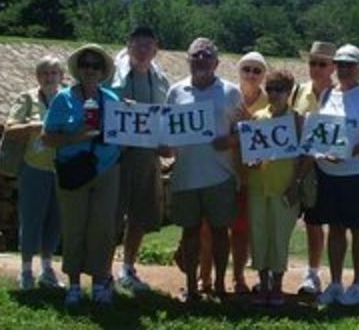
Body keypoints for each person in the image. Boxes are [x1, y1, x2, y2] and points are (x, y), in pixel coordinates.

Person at [161, 37, 242, 302]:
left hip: (220, 175)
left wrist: (229, 141)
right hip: (185, 174)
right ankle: (192, 287)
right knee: (190, 233)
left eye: (207, 56)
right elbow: (167, 131)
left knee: (220, 232)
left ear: (216, 62)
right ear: (188, 60)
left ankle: (219, 284)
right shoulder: (176, 91)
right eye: (196, 55)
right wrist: (164, 147)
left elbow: (244, 132)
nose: (201, 60)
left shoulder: (231, 92)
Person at [42, 44, 121, 307]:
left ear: (102, 72)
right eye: (85, 65)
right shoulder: (63, 99)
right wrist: (75, 137)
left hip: (106, 169)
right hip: (73, 170)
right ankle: (74, 284)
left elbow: (125, 129)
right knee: (74, 226)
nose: (90, 70)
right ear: (78, 69)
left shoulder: (111, 99)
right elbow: (48, 137)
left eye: (95, 66)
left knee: (103, 228)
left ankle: (100, 282)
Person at [308, 44, 359, 306]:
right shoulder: (327, 94)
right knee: (335, 228)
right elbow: (322, 132)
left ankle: (357, 285)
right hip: (330, 173)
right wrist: (320, 151)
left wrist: (350, 151)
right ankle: (336, 282)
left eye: (349, 64)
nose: (344, 69)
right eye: (340, 64)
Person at [198, 51, 269, 294]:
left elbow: (266, 140)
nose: (251, 74)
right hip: (219, 171)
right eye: (246, 69)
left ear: (263, 75)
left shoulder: (271, 103)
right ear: (238, 72)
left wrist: (238, 134)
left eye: (257, 70)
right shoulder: (227, 95)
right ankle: (204, 277)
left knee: (240, 232)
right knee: (208, 230)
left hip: (250, 177)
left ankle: (238, 277)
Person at [110, 26, 170, 292]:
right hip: (115, 157)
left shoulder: (161, 80)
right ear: (129, 45)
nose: (143, 50)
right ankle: (102, 270)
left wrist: (167, 144)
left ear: (155, 49)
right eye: (138, 45)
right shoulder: (112, 76)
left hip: (147, 157)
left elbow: (166, 119)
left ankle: (128, 267)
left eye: (149, 45)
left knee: (139, 217)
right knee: (110, 214)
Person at [5, 55, 65, 290]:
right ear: (38, 77)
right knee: (31, 219)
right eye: (44, 74)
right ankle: (26, 271)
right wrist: (36, 126)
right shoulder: (27, 99)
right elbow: (10, 128)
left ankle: (48, 269)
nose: (49, 78)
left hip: (61, 169)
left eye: (53, 73)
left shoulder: (68, 98)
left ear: (61, 76)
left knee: (55, 221)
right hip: (34, 168)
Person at [249, 69, 304, 306]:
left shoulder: (298, 119)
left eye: (278, 89)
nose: (273, 94)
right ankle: (263, 283)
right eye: (269, 89)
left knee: (280, 238)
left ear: (289, 92)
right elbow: (250, 154)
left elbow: (306, 157)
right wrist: (250, 161)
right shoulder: (258, 117)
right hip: (258, 187)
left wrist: (296, 185)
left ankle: (278, 285)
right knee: (259, 236)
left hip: (285, 187)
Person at [290, 40, 336, 295]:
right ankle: (313, 272)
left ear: (333, 67)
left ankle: (336, 277)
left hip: (332, 166)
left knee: (337, 224)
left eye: (322, 64)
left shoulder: (340, 94)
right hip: (305, 165)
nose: (316, 68)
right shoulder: (299, 92)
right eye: (313, 63)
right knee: (312, 222)